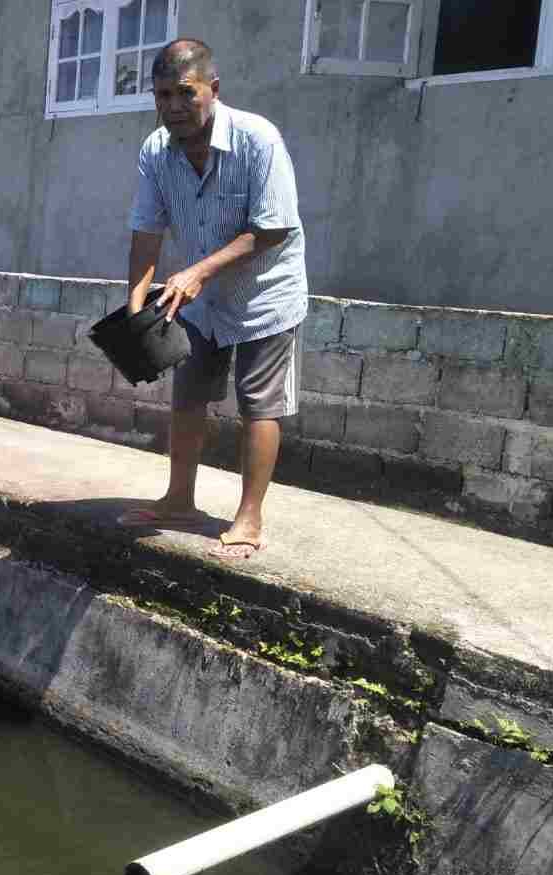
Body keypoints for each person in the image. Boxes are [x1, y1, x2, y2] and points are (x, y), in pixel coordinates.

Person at [120, 40, 307, 560]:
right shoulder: (156, 151)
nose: (174, 106)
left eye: (186, 93)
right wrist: (135, 308)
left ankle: (249, 518)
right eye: (163, 95)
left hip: (266, 293)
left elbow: (273, 228)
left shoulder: (257, 139)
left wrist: (198, 271)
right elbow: (146, 233)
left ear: (213, 89)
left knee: (258, 403)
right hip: (197, 297)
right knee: (188, 394)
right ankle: (179, 500)